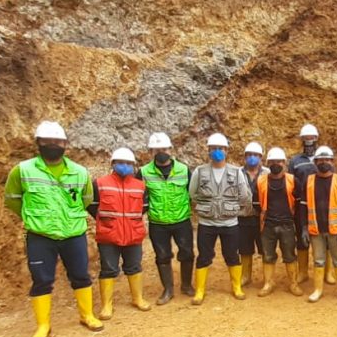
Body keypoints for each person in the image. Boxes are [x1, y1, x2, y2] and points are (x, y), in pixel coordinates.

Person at [4, 121, 102, 337]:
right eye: (47, 141)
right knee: (41, 279)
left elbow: (86, 199)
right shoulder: (23, 170)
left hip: (73, 232)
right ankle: (43, 325)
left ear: (65, 144)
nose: (52, 145)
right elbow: (12, 199)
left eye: (57, 141)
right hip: (41, 236)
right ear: (38, 143)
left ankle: (87, 315)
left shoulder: (79, 172)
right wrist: (33, 218)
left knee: (81, 275)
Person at [87, 148, 151, 320]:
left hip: (133, 234)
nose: (125, 166)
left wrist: (130, 221)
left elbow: (144, 207)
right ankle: (107, 305)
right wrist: (107, 221)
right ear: (113, 164)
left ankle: (138, 299)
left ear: (133, 165)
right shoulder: (99, 184)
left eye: (128, 163)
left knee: (134, 266)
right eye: (121, 163)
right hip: (109, 235)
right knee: (108, 269)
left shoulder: (140, 186)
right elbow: (92, 205)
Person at [189, 133, 252, 304]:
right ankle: (200, 291)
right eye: (214, 148)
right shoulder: (200, 171)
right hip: (207, 223)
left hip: (230, 223)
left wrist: (231, 208)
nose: (217, 151)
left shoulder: (236, 172)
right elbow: (192, 194)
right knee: (204, 256)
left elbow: (245, 196)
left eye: (221, 148)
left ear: (226, 150)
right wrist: (208, 206)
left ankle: (236, 287)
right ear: (208, 150)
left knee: (232, 255)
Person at [139, 132, 195, 305]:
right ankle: (168, 290)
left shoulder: (184, 169)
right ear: (150, 152)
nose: (160, 152)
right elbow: (138, 196)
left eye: (163, 149)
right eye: (156, 150)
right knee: (162, 256)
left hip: (181, 220)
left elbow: (193, 193)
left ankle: (186, 285)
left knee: (187, 253)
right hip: (158, 223)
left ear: (171, 149)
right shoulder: (143, 172)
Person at [299, 146, 337, 302]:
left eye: (327, 159)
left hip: (335, 229)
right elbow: (303, 205)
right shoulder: (309, 181)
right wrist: (304, 228)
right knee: (318, 260)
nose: (324, 162)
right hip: (316, 229)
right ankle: (318, 290)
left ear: (332, 161)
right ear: (315, 162)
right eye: (321, 160)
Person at [288, 123, 335, 284]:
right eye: (306, 138)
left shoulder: (324, 158)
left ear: (317, 138)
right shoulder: (295, 161)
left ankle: (328, 272)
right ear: (301, 140)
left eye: (312, 137)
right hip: (302, 206)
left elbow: (332, 181)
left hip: (323, 206)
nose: (309, 140)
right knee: (302, 240)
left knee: (326, 239)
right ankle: (303, 272)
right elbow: (290, 183)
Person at [254, 147, 303, 297]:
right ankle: (268, 283)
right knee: (267, 255)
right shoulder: (261, 181)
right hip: (268, 224)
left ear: (284, 163)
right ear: (268, 163)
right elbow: (256, 203)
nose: (276, 164)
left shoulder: (293, 180)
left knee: (290, 255)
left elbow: (299, 203)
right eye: (272, 161)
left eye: (279, 161)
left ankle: (293, 283)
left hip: (287, 224)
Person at [238, 142, 270, 287]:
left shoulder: (268, 173)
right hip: (243, 217)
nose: (252, 157)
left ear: (261, 157)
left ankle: (267, 278)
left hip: (262, 219)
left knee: (265, 249)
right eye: (249, 155)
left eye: (256, 155)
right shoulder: (237, 173)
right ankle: (246, 276)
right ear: (245, 156)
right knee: (244, 249)